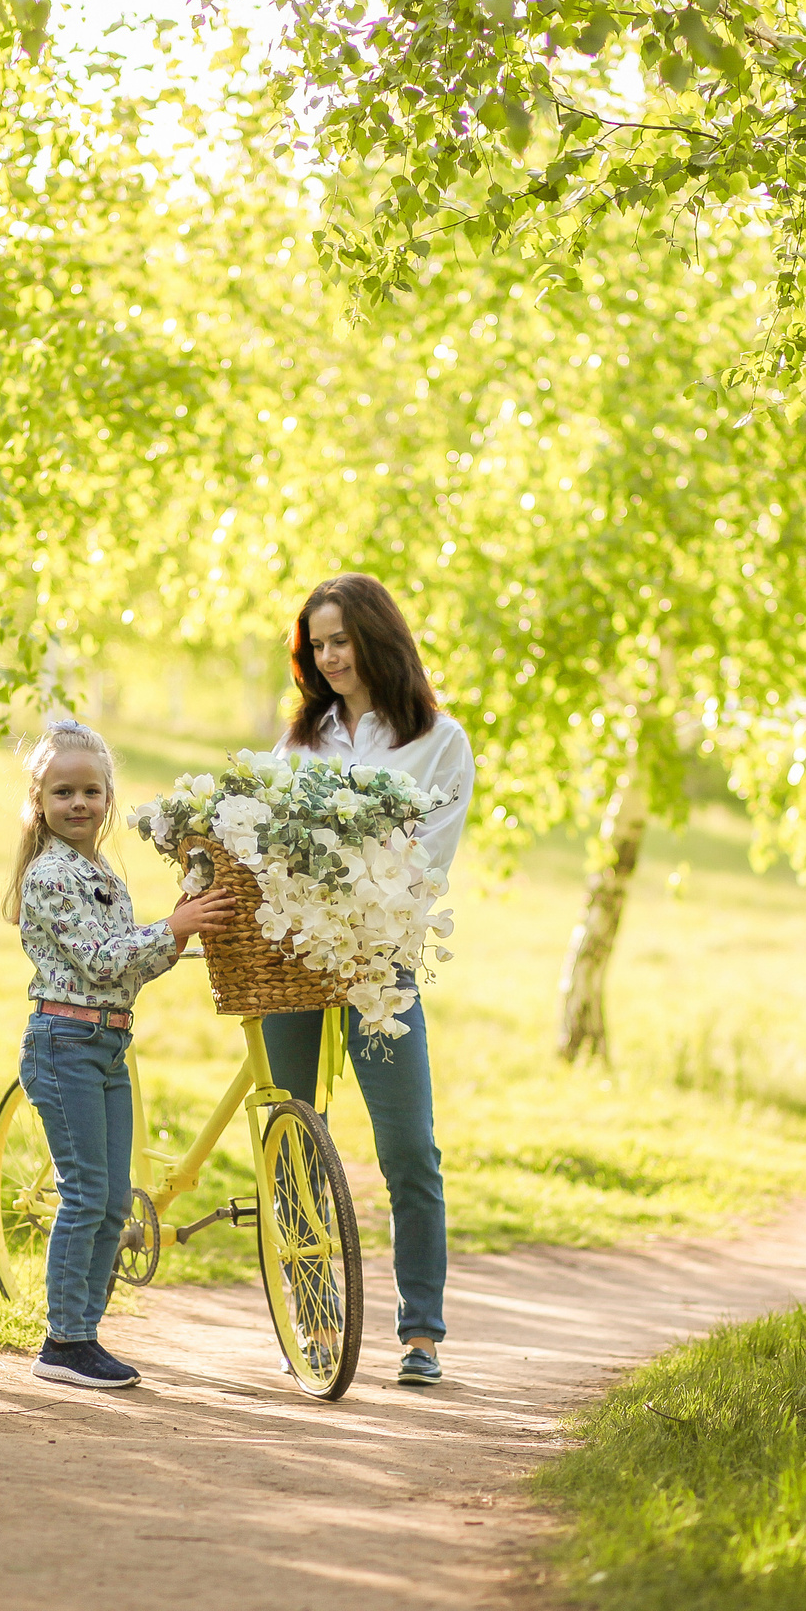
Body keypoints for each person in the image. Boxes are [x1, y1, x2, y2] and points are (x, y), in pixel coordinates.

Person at [264, 574, 474, 1386]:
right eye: (317, 645)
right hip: (292, 959)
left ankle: (420, 1334)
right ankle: (314, 1319)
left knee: (410, 1147)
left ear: (378, 639)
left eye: (341, 640)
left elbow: (425, 866)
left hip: (380, 964)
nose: (329, 657)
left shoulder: (438, 741)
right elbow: (273, 844)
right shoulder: (302, 739)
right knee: (291, 1137)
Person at [8, 718, 236, 1389]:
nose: (78, 804)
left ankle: (84, 1333)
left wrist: (174, 929)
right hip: (65, 1044)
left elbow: (128, 967)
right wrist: (171, 931)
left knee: (111, 1201)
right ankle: (63, 1341)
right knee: (85, 1197)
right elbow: (102, 961)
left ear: (109, 796)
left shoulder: (100, 869)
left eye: (91, 791)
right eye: (63, 793)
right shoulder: (49, 876)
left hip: (106, 1044)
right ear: (39, 803)